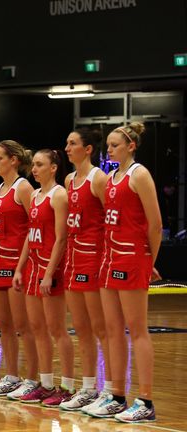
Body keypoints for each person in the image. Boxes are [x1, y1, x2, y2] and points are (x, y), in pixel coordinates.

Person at [88, 123, 161, 423]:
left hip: (132, 259)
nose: (109, 149)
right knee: (112, 329)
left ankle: (145, 401)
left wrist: (148, 260)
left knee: (138, 330)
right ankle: (117, 395)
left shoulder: (139, 174)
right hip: (109, 259)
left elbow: (154, 225)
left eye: (115, 145)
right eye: (108, 145)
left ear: (131, 146)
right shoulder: (112, 177)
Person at [13, 149, 74, 406]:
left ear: (53, 168)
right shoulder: (36, 195)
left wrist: (49, 273)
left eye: (40, 165)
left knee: (57, 329)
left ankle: (68, 386)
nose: (34, 169)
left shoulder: (59, 195)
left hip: (50, 270)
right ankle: (46, 383)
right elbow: (30, 234)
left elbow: (62, 238)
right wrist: (19, 267)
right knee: (37, 328)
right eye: (34, 165)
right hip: (33, 268)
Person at [59, 128, 112, 412]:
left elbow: (111, 221)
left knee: (101, 328)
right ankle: (89, 387)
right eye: (67, 143)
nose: (67, 148)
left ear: (88, 149)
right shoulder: (69, 179)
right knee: (81, 327)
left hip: (93, 259)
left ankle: (109, 391)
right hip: (72, 259)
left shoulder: (99, 179)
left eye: (72, 143)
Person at [0, 140, 39, 399]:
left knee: (23, 325)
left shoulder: (24, 187)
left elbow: (34, 227)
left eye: (0, 158)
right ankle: (12, 375)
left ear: (14, 160)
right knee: (4, 323)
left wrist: (22, 264)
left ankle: (33, 378)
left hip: (18, 263)